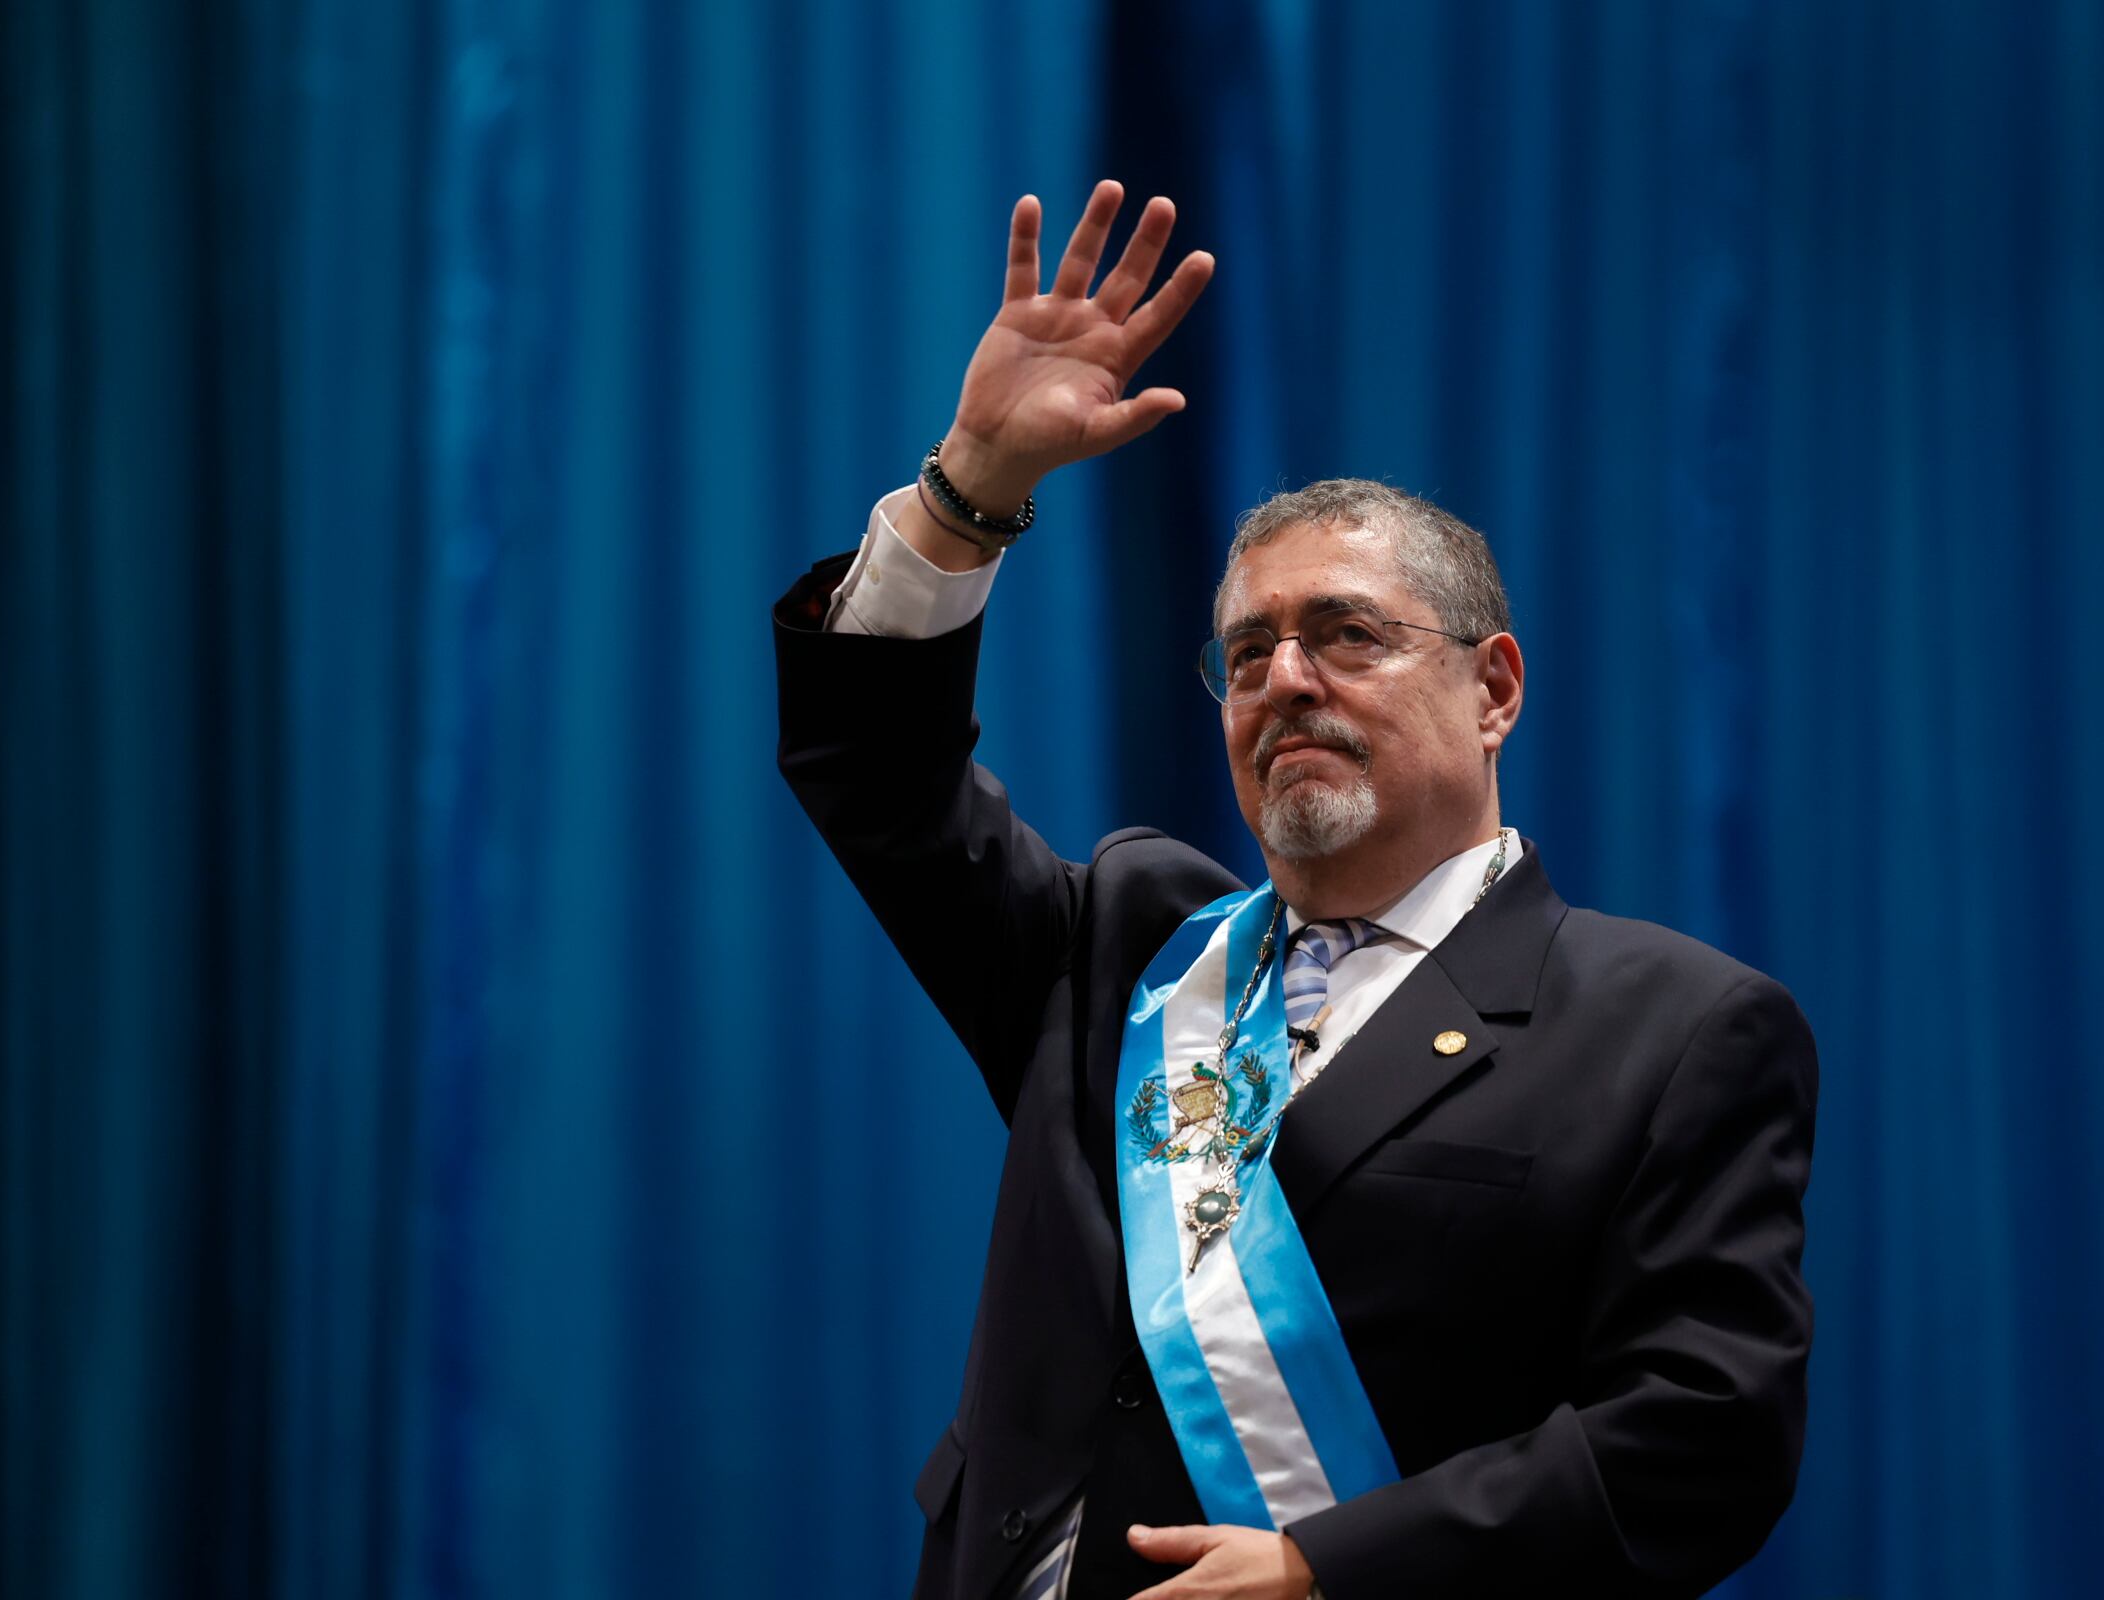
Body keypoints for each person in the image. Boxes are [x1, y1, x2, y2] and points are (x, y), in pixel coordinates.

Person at [772, 181, 1816, 1600]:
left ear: (1492, 687)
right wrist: (970, 489)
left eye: (1345, 635)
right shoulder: (1123, 951)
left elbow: (1706, 1436)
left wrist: (1332, 1571)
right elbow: (881, 783)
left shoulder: (1673, 1027)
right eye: (1248, 652)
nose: (1286, 682)